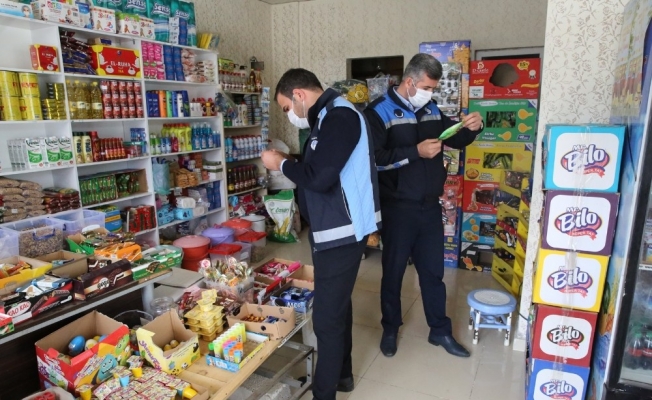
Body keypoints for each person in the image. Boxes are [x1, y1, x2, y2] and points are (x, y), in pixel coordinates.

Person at [261, 68, 381, 400]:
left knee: (326, 318)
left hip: (343, 231)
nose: (290, 114)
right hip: (333, 229)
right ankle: (342, 375)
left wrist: (280, 164)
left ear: (299, 94)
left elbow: (321, 177)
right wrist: (290, 159)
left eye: (287, 107)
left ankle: (323, 393)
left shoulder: (340, 116)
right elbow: (322, 165)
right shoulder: (327, 116)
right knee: (338, 306)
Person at [364, 53, 484, 359]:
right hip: (397, 208)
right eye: (427, 87)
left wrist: (472, 127)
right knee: (393, 273)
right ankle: (390, 328)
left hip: (430, 206)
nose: (430, 93)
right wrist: (415, 152)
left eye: (433, 88)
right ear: (410, 82)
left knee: (433, 273)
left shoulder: (430, 109)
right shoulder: (378, 112)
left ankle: (439, 330)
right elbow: (374, 160)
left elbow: (454, 138)